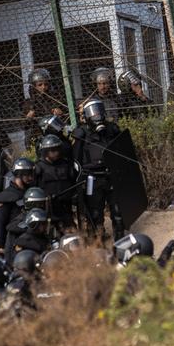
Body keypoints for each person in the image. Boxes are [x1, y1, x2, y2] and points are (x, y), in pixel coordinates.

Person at [72, 99, 124, 241]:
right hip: (92, 179)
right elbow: (76, 160)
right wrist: (79, 181)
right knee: (95, 214)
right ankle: (98, 244)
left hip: (111, 175)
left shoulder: (111, 130)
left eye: (99, 111)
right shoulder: (81, 133)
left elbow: (122, 151)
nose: (97, 116)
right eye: (92, 113)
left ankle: (120, 241)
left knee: (118, 211)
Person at [0, 158, 35, 254]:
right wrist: (1, 246)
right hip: (15, 241)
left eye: (31, 174)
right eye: (27, 175)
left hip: (32, 237)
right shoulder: (7, 196)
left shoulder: (31, 191)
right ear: (19, 175)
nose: (31, 178)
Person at [35, 134, 78, 229]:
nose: (56, 153)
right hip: (48, 210)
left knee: (71, 231)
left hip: (66, 207)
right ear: (45, 151)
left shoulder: (66, 164)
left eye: (58, 149)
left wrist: (74, 195)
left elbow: (74, 181)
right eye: (53, 150)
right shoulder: (38, 168)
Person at [23, 68, 64, 145]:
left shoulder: (54, 99)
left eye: (46, 84)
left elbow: (65, 115)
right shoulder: (28, 103)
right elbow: (23, 125)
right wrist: (28, 118)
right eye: (40, 85)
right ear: (34, 86)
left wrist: (60, 113)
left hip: (54, 132)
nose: (43, 87)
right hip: (37, 134)